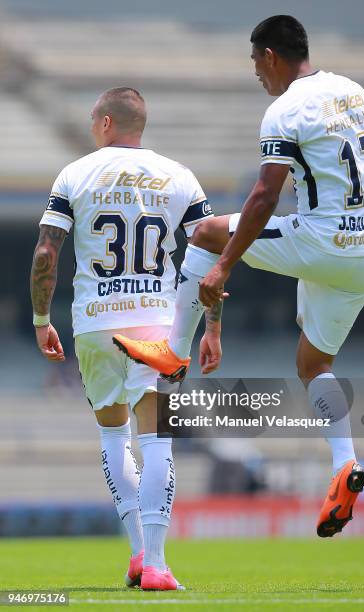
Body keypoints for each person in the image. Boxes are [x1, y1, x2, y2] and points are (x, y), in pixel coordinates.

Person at [113, 15, 364, 538]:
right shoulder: (351, 90)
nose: (258, 77)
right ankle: (344, 466)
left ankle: (174, 351)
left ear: (270, 56)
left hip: (323, 240)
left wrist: (225, 264)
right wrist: (350, 177)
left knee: (204, 234)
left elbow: (264, 195)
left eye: (256, 66)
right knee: (313, 364)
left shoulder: (285, 109)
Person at [30, 87, 213, 589]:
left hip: (95, 321)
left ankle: (136, 552)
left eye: (94, 119)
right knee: (157, 441)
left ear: (107, 122)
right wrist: (210, 326)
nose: (92, 127)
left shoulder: (74, 174)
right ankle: (155, 563)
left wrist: (40, 317)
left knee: (114, 436)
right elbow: (209, 255)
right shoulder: (179, 175)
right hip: (157, 322)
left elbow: (47, 254)